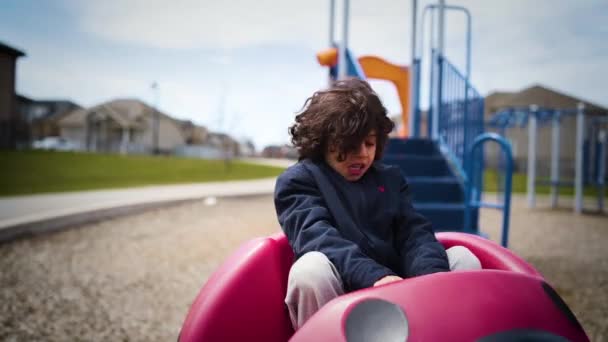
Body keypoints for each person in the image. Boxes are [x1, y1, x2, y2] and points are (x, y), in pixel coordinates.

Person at [274, 78, 481, 330]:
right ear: (322, 141)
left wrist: (431, 276)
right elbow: (317, 238)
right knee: (309, 270)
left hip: (401, 289)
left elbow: (414, 233)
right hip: (343, 293)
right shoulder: (299, 181)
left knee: (462, 258)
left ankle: (445, 334)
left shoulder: (390, 179)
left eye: (370, 143)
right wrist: (375, 277)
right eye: (350, 144)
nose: (362, 153)